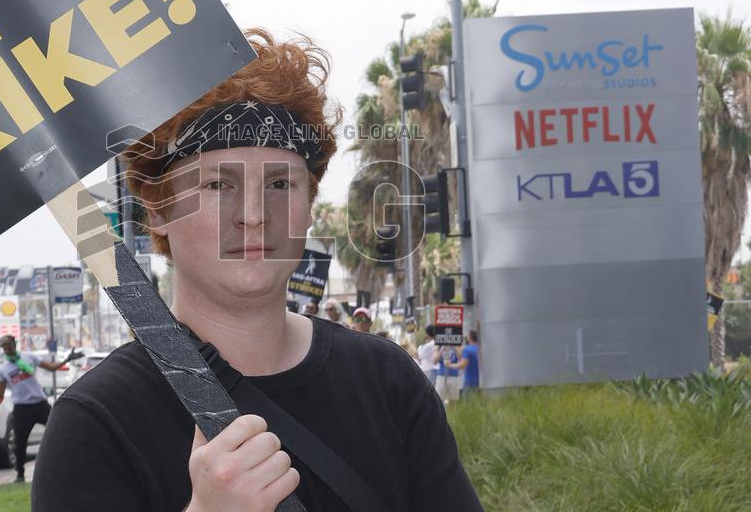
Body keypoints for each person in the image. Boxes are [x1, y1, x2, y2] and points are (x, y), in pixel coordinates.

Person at [33, 29, 482, 511]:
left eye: (280, 182)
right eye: (218, 185)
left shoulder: (388, 382)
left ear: (309, 205)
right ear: (157, 209)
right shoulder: (97, 420)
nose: (253, 213)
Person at [0, 335, 83, 482]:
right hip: (21, 408)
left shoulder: (29, 357)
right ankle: (20, 475)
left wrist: (67, 359)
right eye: (4, 347)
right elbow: (0, 393)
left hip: (39, 404)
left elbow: (51, 367)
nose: (6, 349)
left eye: (8, 346)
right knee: (20, 442)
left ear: (14, 344)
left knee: (60, 428)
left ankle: (73, 462)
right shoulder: (3, 369)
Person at [445, 330, 480, 398]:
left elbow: (462, 364)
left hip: (469, 382)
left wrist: (449, 365)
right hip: (480, 382)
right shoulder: (480, 348)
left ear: (470, 338)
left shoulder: (467, 349)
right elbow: (461, 357)